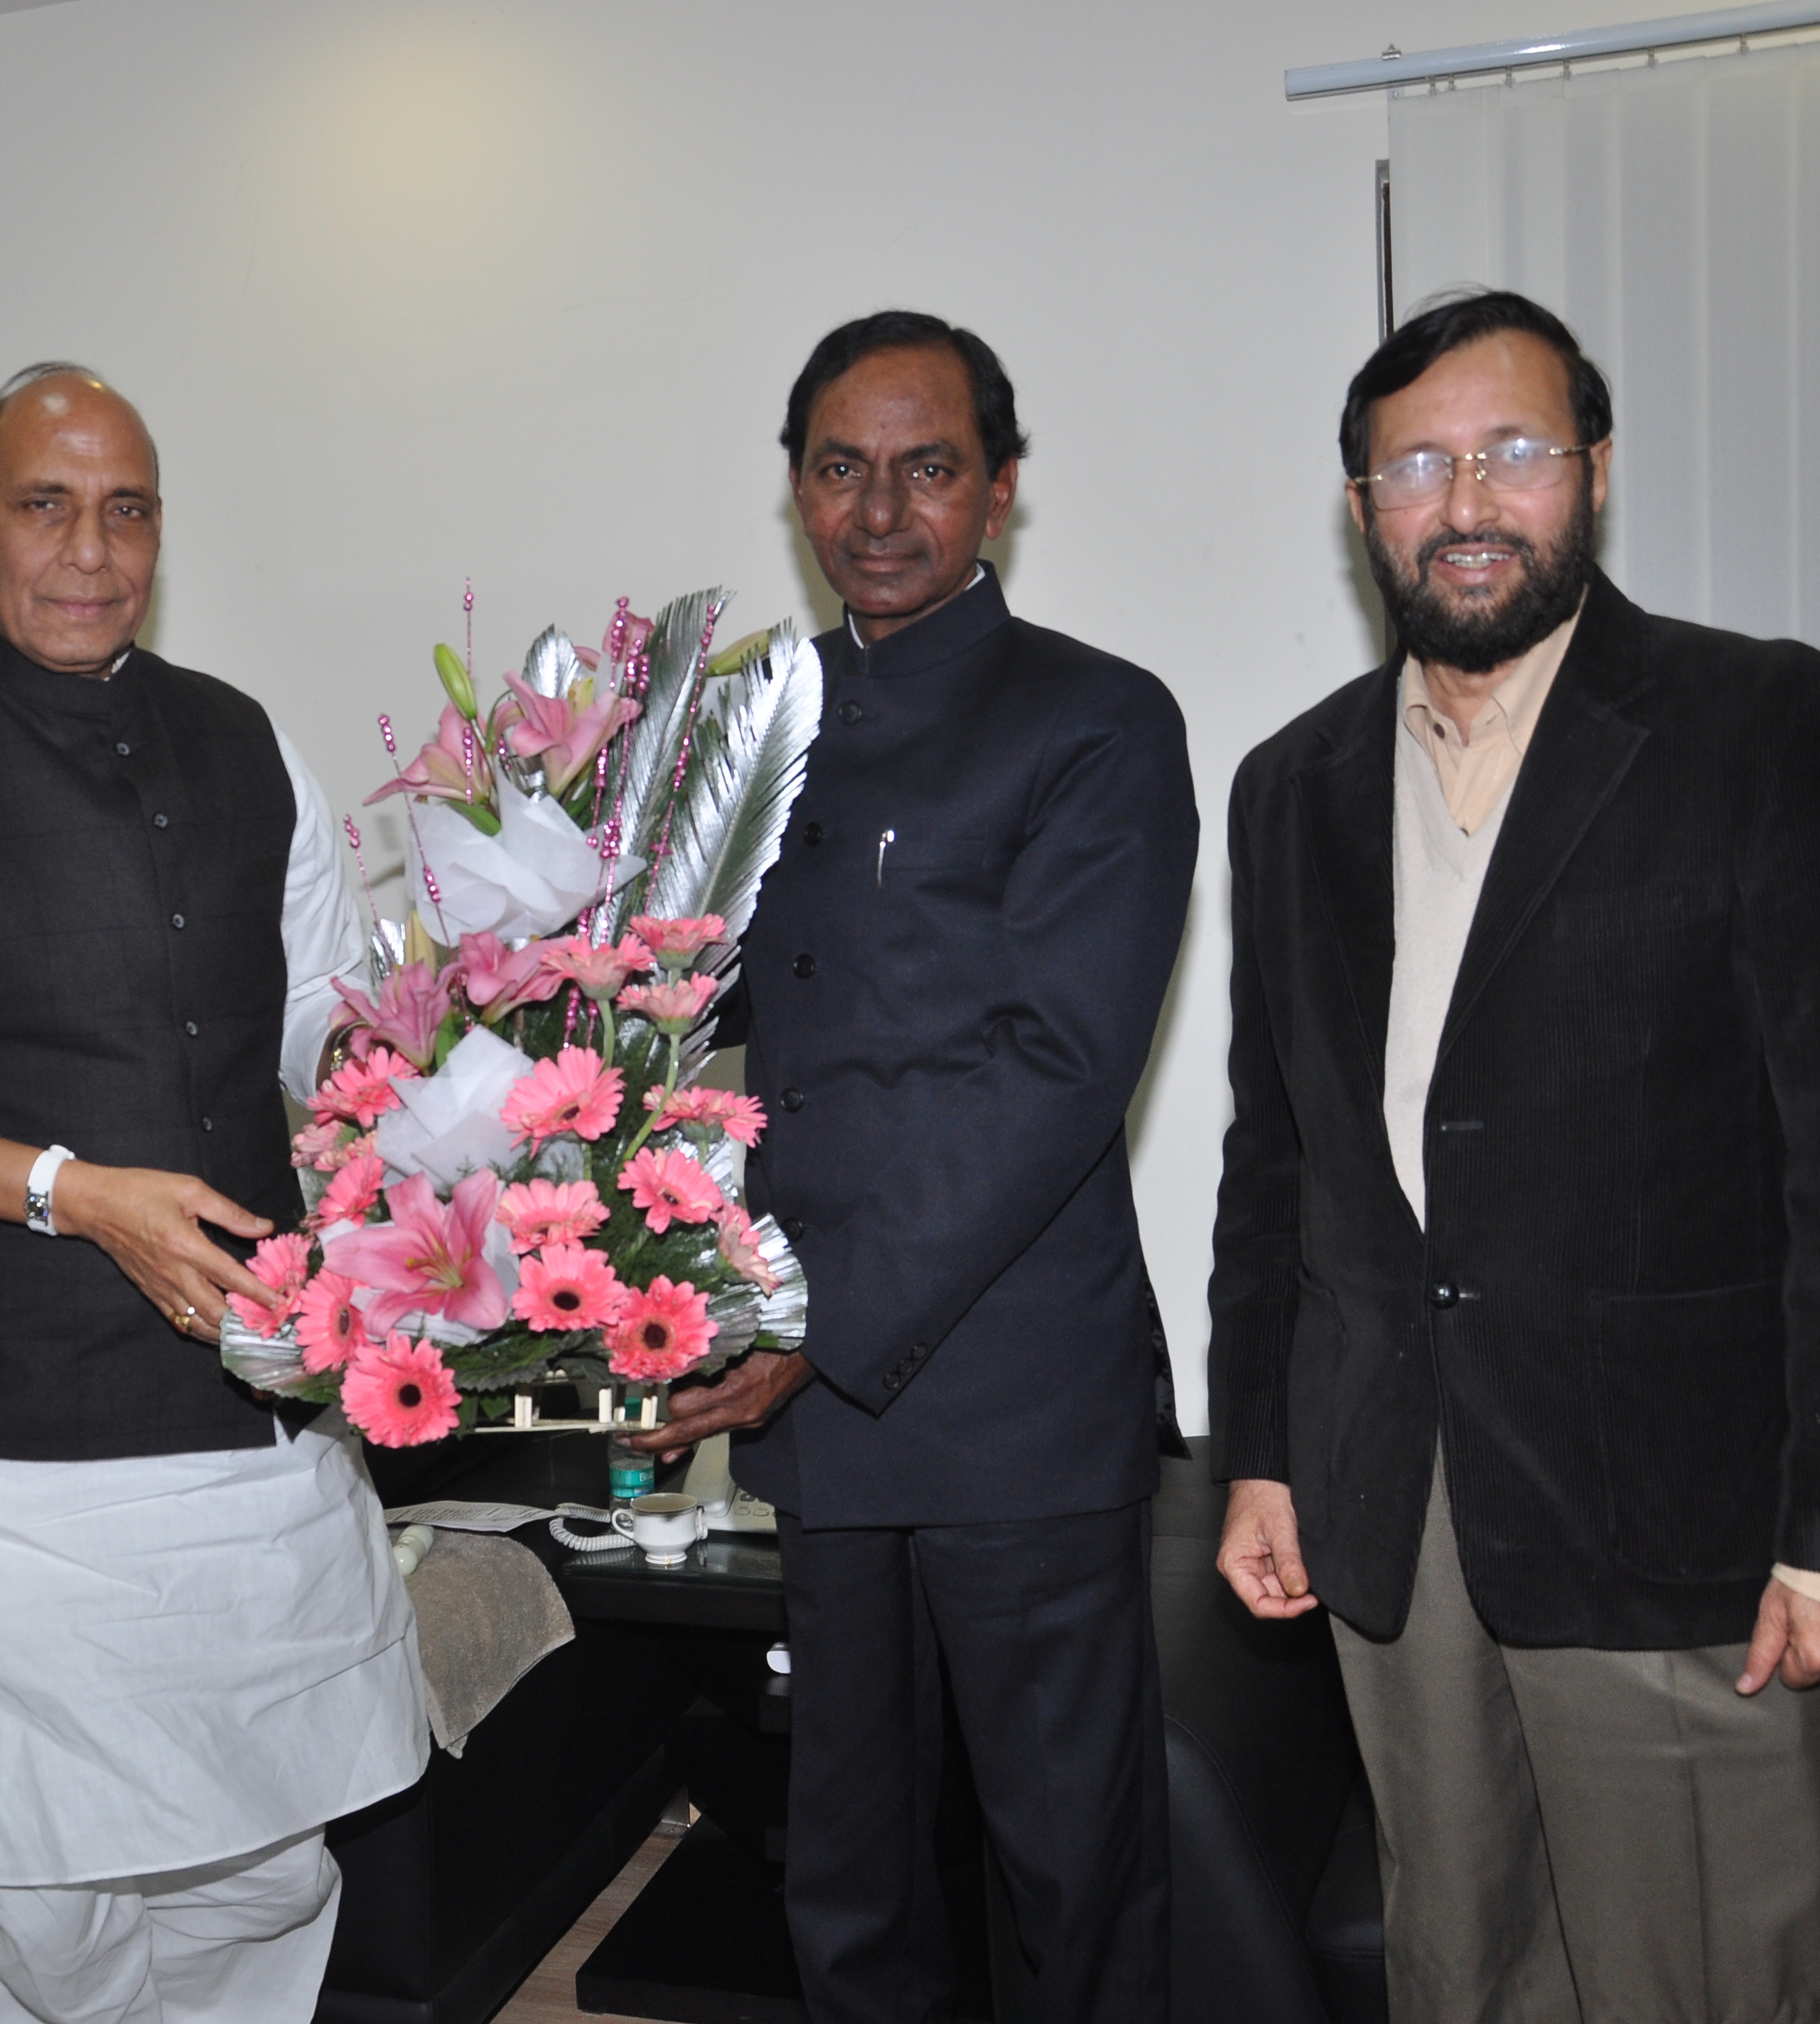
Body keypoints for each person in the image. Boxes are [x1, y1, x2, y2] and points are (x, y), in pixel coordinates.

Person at [1207, 290, 1820, 2020]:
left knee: (1711, 1987)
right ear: (1361, 509)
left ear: (1594, 474)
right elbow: (1279, 1155)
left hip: (1690, 1532)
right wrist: (1261, 1445)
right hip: (1392, 1519)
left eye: (1512, 450)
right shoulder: (1286, 789)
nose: (1463, 496)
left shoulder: (1767, 730)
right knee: (1459, 1971)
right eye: (1414, 462)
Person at [0, 362, 426, 2023]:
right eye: (44, 504)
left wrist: (474, 1090)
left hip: (235, 1442)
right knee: (21, 1910)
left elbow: (334, 1026)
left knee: (261, 1869)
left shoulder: (245, 739)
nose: (87, 548)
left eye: (125, 508)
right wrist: (74, 1191)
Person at [632, 311, 1198, 2023]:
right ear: (796, 487)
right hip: (815, 1413)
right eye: (838, 468)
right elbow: (650, 1004)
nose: (879, 509)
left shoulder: (1096, 720)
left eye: (927, 467)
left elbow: (1051, 1075)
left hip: (1009, 1402)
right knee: (850, 1874)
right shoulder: (746, 726)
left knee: (1067, 1870)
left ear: (1000, 491)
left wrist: (808, 1318)